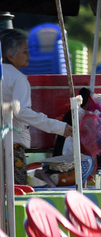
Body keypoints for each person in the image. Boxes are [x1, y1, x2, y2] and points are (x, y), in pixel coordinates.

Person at [0, 29, 73, 185]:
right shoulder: (18, 78)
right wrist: (57, 126)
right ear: (10, 56)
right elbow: (22, 112)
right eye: (25, 52)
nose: (29, 55)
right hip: (12, 144)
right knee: (16, 190)